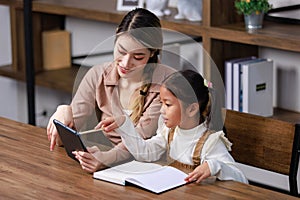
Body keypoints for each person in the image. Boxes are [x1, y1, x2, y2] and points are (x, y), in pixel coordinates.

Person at [47, 8, 175, 173]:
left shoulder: (167, 84)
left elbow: (139, 140)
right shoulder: (98, 75)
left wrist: (105, 160)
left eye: (138, 57)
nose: (126, 63)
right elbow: (63, 139)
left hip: (156, 168)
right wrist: (64, 110)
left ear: (152, 53)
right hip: (115, 169)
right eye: (121, 51)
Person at [98, 70, 248, 183]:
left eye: (168, 104)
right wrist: (124, 126)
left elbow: (242, 179)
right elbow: (145, 153)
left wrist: (215, 166)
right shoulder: (169, 132)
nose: (162, 110)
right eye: (161, 103)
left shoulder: (211, 143)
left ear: (192, 109)